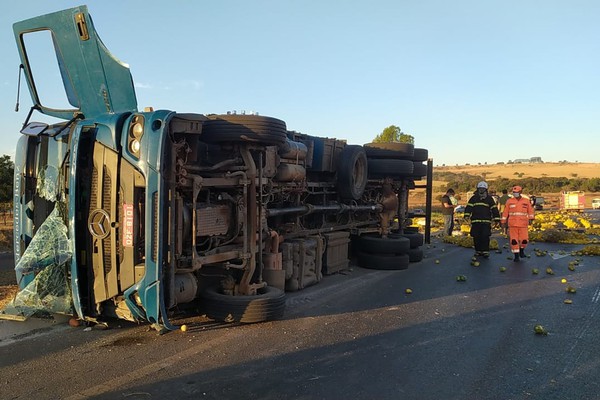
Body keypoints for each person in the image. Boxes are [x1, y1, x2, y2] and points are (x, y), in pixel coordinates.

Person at [464, 181, 500, 258]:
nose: (481, 190)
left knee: (485, 236)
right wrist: (466, 216)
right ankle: (478, 251)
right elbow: (469, 207)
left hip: (486, 221)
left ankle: (485, 251)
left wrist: (496, 219)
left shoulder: (489, 199)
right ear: (478, 189)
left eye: (482, 189)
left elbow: (494, 209)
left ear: (485, 189)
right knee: (476, 236)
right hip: (475, 221)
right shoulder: (474, 198)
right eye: (480, 188)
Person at [501, 185, 535, 262]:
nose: (515, 193)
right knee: (514, 241)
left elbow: (530, 210)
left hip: (523, 224)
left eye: (516, 192)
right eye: (514, 192)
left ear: (520, 192)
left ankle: (522, 250)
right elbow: (505, 212)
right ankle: (516, 256)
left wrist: (531, 219)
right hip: (512, 224)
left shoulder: (526, 201)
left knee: (524, 240)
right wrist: (503, 222)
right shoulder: (509, 201)